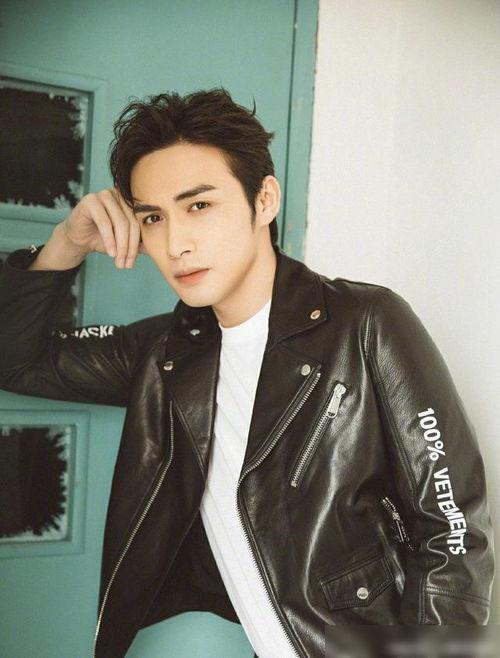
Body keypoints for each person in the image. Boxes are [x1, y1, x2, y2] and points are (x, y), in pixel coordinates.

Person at [0, 88, 494, 658]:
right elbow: (16, 361)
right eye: (153, 217)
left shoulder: (365, 323)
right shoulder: (164, 354)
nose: (176, 244)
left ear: (264, 201)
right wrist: (65, 243)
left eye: (199, 206)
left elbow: (452, 529)